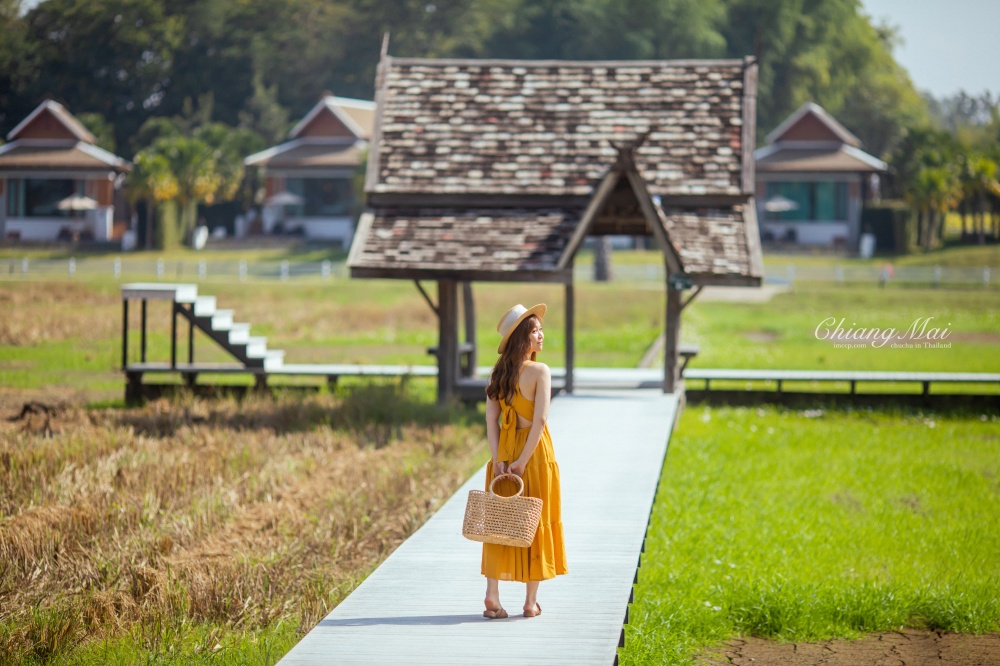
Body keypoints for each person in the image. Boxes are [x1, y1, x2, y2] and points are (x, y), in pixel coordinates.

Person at [481, 303, 568, 619]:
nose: (541, 335)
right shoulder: (540, 371)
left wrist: (500, 459)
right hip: (533, 454)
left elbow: (491, 420)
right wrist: (521, 461)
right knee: (535, 522)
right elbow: (541, 419)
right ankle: (530, 603)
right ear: (522, 337)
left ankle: (492, 596)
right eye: (535, 330)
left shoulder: (498, 373)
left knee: (498, 524)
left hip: (504, 451)